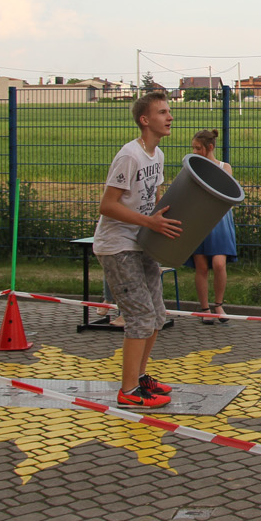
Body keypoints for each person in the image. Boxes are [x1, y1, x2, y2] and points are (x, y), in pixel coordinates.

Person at [92, 90, 183, 408]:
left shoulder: (157, 156)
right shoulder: (129, 156)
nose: (170, 117)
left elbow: (154, 199)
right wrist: (149, 223)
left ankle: (141, 377)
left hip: (143, 242)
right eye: (162, 112)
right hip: (118, 246)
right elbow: (107, 206)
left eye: (169, 111)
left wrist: (165, 226)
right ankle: (128, 392)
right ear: (145, 120)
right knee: (140, 316)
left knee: (157, 315)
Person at [186, 129, 238, 325]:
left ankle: (219, 305)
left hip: (219, 221)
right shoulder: (192, 168)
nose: (194, 152)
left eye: (198, 148)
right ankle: (205, 308)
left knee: (218, 264)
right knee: (201, 266)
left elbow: (223, 192)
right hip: (199, 220)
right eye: (193, 148)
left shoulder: (225, 167)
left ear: (209, 147)